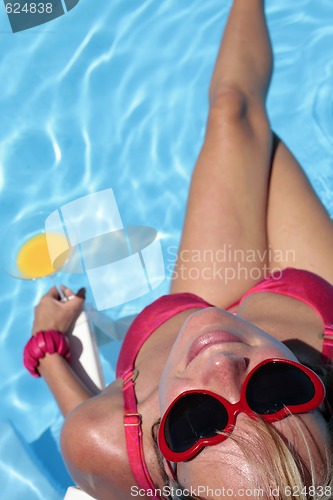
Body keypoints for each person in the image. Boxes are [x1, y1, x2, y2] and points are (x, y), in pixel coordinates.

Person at [24, 0, 333, 499]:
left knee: (237, 121)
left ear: (164, 467)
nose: (222, 366)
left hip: (210, 293)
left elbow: (81, 415)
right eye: (279, 393)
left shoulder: (102, 442)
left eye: (196, 424)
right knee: (241, 120)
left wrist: (49, 350)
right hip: (312, 304)